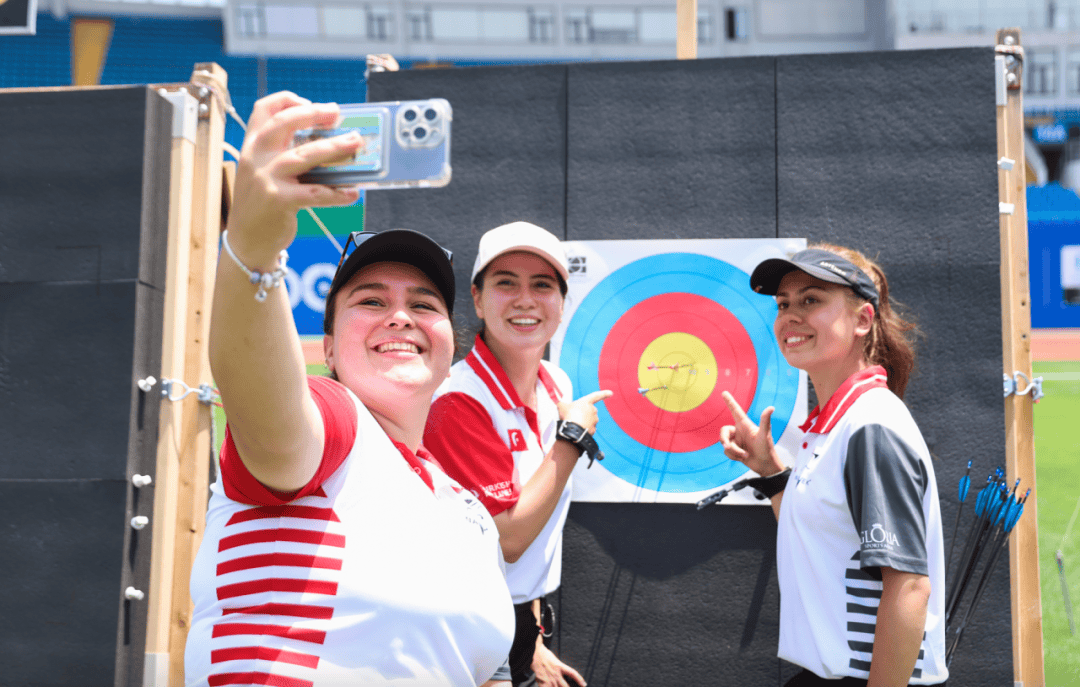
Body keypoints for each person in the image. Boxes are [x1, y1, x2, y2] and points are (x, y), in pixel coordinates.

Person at [184, 92, 514, 686]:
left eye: (423, 304)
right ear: (329, 348)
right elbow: (259, 390)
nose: (400, 316)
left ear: (451, 350)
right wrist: (254, 247)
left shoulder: (466, 510)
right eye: (370, 301)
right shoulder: (334, 422)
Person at [719, 245, 948, 687]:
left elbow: (908, 586)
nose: (790, 316)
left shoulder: (870, 425)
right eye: (783, 304)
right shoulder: (838, 424)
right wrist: (772, 475)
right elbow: (823, 541)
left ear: (862, 320)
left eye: (811, 300)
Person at [423, 222, 612, 687]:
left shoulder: (557, 384)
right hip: (468, 627)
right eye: (506, 283)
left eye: (542, 285)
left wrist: (532, 640)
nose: (525, 300)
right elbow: (506, 539)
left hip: (521, 622)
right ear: (478, 298)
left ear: (562, 303)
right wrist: (571, 440)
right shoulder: (456, 400)